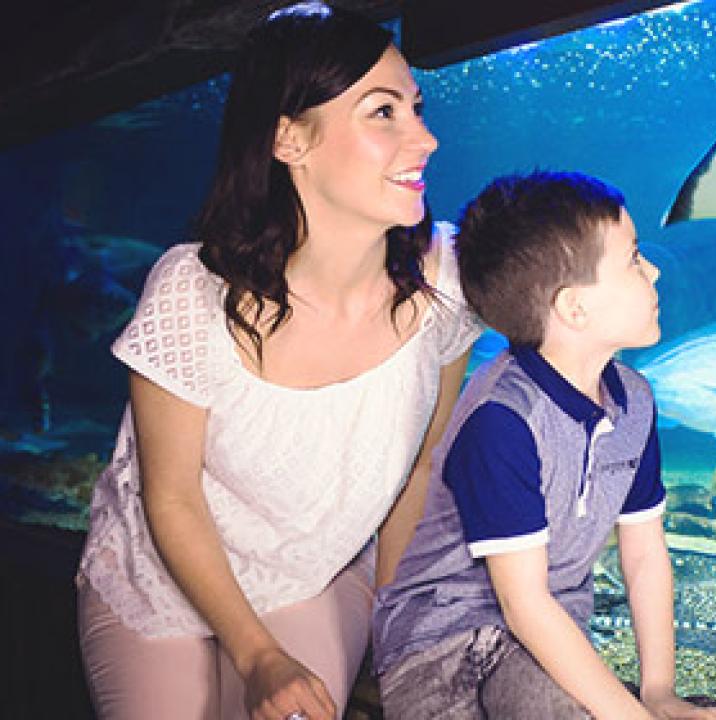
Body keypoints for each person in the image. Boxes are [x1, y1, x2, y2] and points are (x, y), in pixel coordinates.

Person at [75, 3, 480, 719]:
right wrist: (257, 655)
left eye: (417, 108)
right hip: (159, 585)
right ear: (290, 139)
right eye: (383, 113)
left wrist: (400, 632)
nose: (426, 138)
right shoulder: (192, 291)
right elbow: (171, 499)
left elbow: (422, 467)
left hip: (311, 578)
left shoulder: (446, 283)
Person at [372, 171, 716, 720]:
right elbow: (523, 603)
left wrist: (658, 693)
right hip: (441, 642)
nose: (655, 270)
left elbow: (644, 555)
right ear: (574, 309)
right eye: (635, 259)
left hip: (549, 631)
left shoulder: (634, 401)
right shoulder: (503, 419)